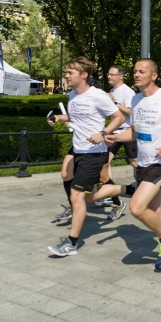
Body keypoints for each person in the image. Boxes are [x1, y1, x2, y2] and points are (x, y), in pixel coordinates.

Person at [101, 59, 161, 268]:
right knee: (155, 212)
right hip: (143, 163)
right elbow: (136, 131)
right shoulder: (135, 100)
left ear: (153, 76)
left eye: (141, 71)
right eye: (135, 71)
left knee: (136, 208)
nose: (137, 75)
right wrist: (115, 138)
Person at [46, 57, 128, 256]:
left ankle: (71, 243)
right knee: (84, 193)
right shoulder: (73, 94)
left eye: (70, 73)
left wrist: (102, 132)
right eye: (66, 72)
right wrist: (58, 117)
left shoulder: (97, 95)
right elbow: (74, 116)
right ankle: (131, 188)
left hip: (94, 153)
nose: (66, 76)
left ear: (84, 75)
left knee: (78, 195)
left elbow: (119, 117)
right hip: (78, 149)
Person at [100, 65, 136, 220]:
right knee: (104, 162)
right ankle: (110, 193)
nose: (109, 77)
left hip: (127, 131)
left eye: (112, 74)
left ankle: (146, 186)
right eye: (108, 74)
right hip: (113, 132)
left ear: (121, 76)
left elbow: (130, 112)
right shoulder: (112, 91)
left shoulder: (128, 92)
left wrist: (115, 104)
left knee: (135, 161)